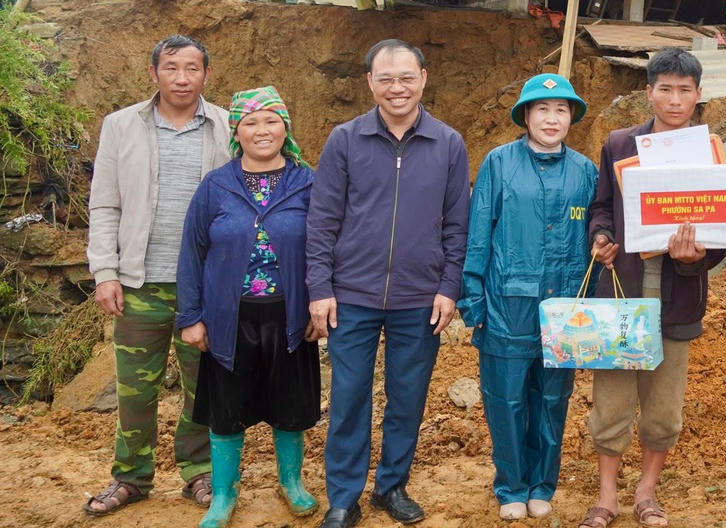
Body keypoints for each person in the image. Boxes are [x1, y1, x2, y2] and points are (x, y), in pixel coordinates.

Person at [306, 39, 470, 528]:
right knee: (349, 397)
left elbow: (456, 224)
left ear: (423, 78)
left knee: (407, 396)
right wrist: (320, 288)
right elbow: (322, 221)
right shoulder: (345, 139)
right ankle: (343, 497)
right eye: (386, 79)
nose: (396, 88)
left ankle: (392, 486)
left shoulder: (448, 143)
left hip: (420, 299)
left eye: (406, 77)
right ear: (370, 83)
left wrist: (449, 286)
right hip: (351, 296)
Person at [580, 48, 726, 528]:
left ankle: (646, 492)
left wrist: (697, 256)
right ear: (648, 93)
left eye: (685, 90)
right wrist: (600, 237)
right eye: (665, 88)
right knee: (612, 403)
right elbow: (602, 205)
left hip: (677, 298)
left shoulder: (711, 154)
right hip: (623, 291)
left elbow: (723, 230)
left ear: (699, 95)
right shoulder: (620, 145)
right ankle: (606, 497)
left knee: (663, 410)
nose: (674, 99)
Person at [83, 35, 229, 516]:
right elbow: (105, 202)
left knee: (202, 386)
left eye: (192, 68)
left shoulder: (227, 126)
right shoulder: (122, 126)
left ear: (207, 75)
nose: (181, 77)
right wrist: (105, 271)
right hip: (138, 284)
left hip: (204, 288)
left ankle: (199, 472)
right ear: (154, 73)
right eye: (171, 67)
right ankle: (131, 478)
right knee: (134, 388)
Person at [175, 86, 321, 528]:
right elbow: (192, 252)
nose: (262, 130)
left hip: (290, 316)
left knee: (289, 405)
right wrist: (191, 317)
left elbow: (327, 248)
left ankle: (291, 483)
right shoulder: (216, 186)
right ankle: (223, 493)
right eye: (251, 122)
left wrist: (319, 304)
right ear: (236, 130)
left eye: (271, 121)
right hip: (228, 318)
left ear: (285, 128)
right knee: (226, 409)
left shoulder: (308, 182)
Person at [458, 73, 597, 522]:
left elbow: (597, 236)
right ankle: (511, 486)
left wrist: (592, 298)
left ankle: (542, 483)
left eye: (560, 110)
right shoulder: (500, 163)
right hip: (508, 303)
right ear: (525, 116)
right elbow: (478, 233)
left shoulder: (585, 170)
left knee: (553, 399)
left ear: (571, 116)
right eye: (542, 109)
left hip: (566, 305)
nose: (551, 118)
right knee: (507, 399)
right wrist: (473, 299)